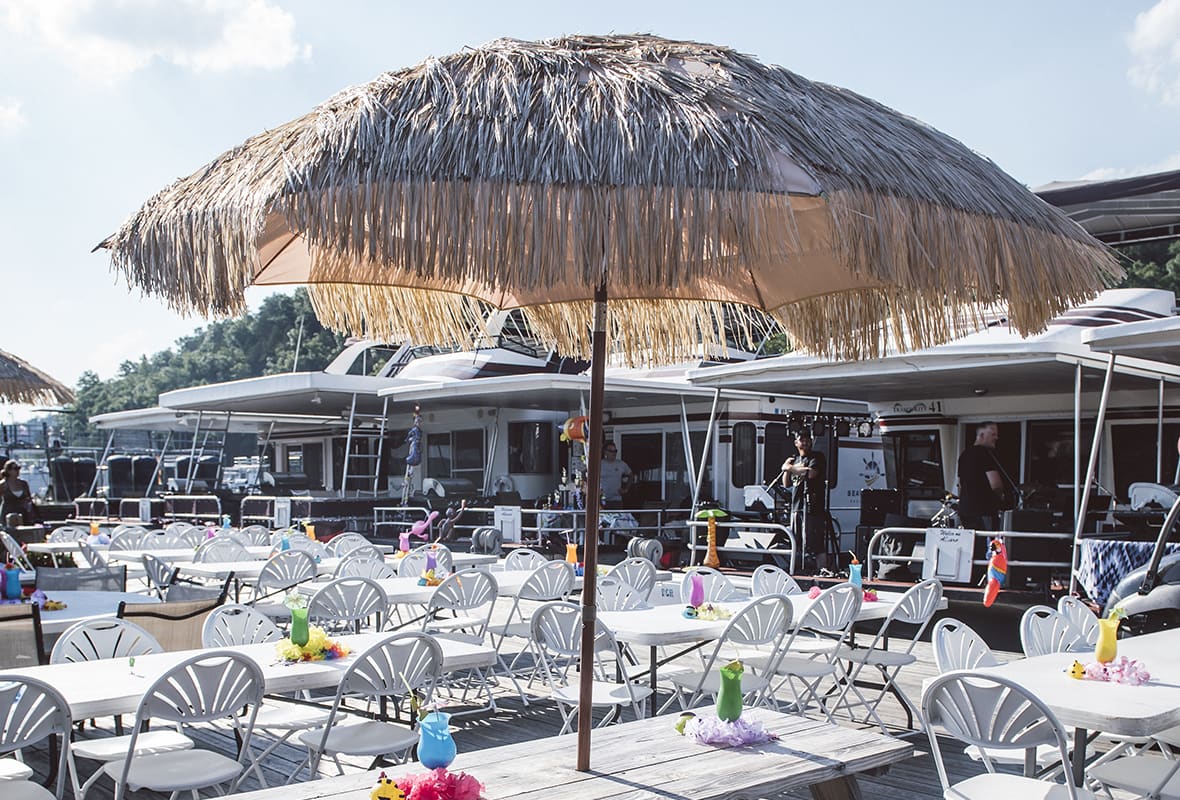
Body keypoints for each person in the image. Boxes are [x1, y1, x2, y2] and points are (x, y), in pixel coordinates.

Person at [781, 431, 829, 570]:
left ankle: (822, 572)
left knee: (817, 544)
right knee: (797, 543)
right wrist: (786, 469)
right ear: (796, 443)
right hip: (797, 507)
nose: (805, 442)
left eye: (808, 439)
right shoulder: (794, 460)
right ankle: (800, 571)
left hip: (813, 508)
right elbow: (787, 484)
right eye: (802, 439)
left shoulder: (817, 457)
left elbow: (811, 473)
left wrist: (790, 468)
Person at [957, 422, 1005, 531]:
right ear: (982, 435)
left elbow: (960, 484)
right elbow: (996, 484)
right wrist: (1001, 496)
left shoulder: (964, 455)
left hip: (965, 510)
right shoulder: (984, 454)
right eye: (993, 434)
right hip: (983, 510)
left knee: (973, 544)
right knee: (987, 544)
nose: (996, 438)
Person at [0, 460, 35, 526]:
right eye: (15, 469)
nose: (18, 471)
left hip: (23, 513)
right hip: (7, 513)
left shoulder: (23, 483)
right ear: (8, 471)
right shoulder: (3, 485)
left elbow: (29, 498)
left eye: (18, 468)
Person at [599, 442, 633, 509]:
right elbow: (585, 473)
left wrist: (626, 489)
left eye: (615, 451)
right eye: (611, 451)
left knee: (618, 518)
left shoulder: (621, 464)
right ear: (605, 452)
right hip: (602, 499)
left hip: (616, 499)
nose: (613, 453)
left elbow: (631, 475)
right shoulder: (599, 464)